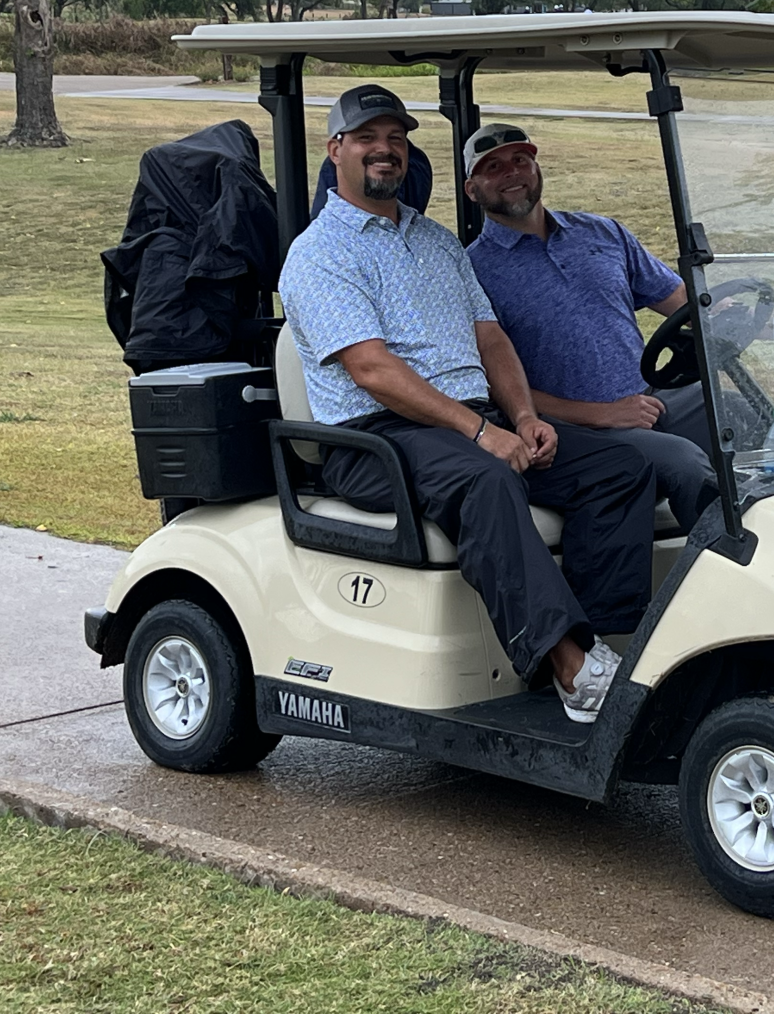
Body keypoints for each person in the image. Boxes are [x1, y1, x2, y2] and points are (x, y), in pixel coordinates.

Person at [278, 85, 656, 723]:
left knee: (619, 469)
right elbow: (372, 370)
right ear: (335, 149)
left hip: (471, 421)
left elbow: (491, 339)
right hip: (378, 439)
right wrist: (482, 434)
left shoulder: (436, 243)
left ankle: (607, 644)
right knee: (486, 481)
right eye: (368, 138)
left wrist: (527, 418)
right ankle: (569, 668)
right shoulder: (318, 253)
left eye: (396, 140)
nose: (385, 151)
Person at [462, 122, 719, 534]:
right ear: (471, 189)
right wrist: (604, 415)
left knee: (747, 419)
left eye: (520, 160)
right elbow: (493, 384)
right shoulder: (471, 269)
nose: (511, 173)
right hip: (577, 430)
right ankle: (722, 577)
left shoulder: (601, 232)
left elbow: (685, 305)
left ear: (537, 169)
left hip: (650, 399)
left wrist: (756, 320)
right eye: (493, 167)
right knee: (685, 464)